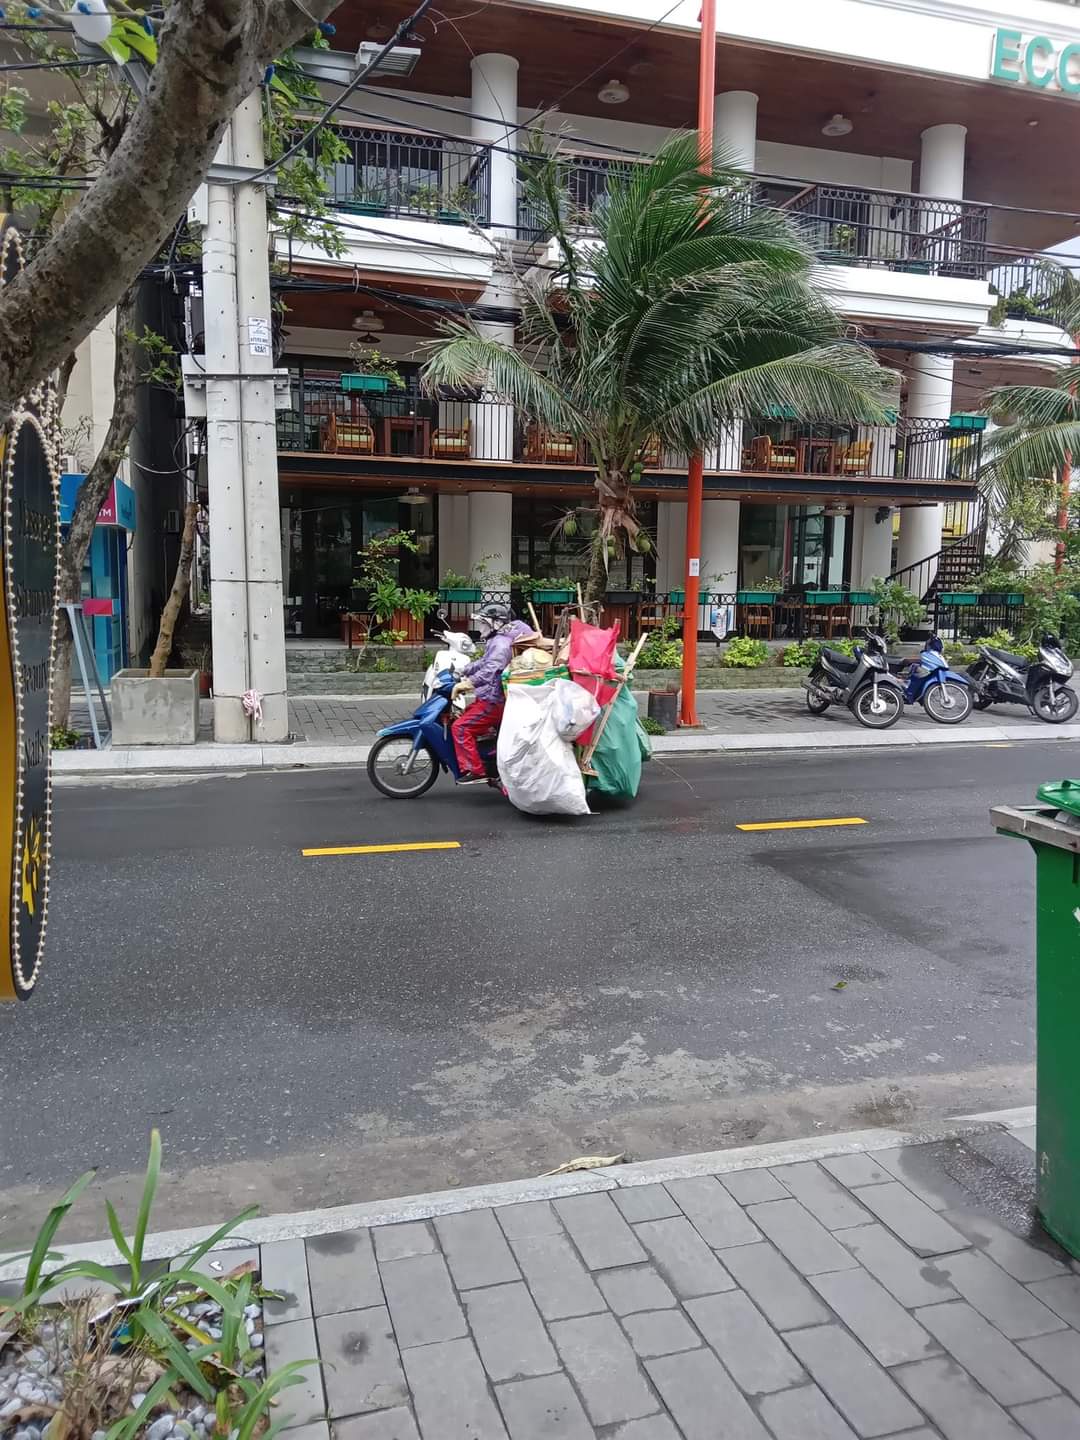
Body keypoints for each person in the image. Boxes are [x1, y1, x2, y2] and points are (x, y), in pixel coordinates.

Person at [451, 603, 534, 784]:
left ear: (496, 623)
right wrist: (463, 670)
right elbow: (483, 662)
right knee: (462, 717)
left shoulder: (501, 643)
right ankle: (490, 758)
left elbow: (491, 669)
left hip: (493, 701)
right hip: (489, 697)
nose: (480, 628)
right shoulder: (496, 640)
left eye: (484, 623)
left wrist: (468, 683)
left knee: (460, 727)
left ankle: (476, 770)